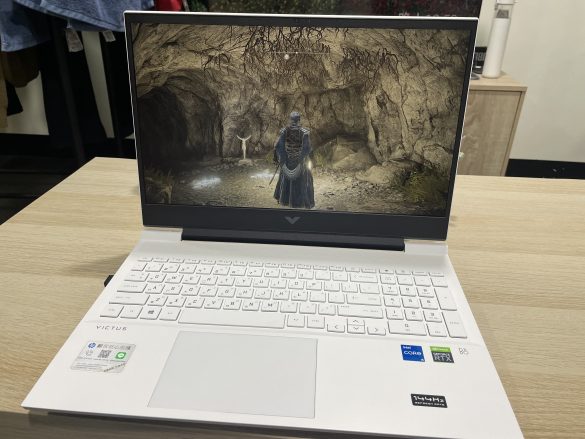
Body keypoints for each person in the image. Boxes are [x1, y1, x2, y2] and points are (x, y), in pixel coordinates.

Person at [273, 111, 315, 209]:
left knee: (285, 179)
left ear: (290, 119)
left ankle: (285, 200)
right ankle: (301, 203)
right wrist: (311, 160)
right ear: (299, 120)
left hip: (287, 162)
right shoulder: (305, 132)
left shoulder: (284, 131)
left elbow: (277, 146)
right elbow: (308, 149)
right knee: (303, 181)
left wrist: (278, 159)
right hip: (300, 163)